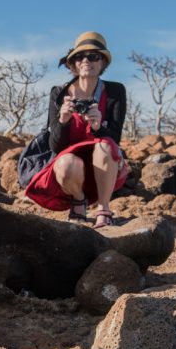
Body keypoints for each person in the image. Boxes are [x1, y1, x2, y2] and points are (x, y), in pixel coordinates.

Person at [24, 31, 127, 228]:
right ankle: (79, 200)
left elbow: (115, 138)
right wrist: (63, 121)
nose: (86, 60)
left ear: (103, 62)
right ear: (73, 63)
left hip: (105, 167)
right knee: (66, 163)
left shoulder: (115, 91)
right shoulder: (59, 93)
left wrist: (97, 127)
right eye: (80, 56)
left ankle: (104, 209)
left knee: (105, 146)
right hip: (70, 171)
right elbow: (55, 144)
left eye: (93, 56)